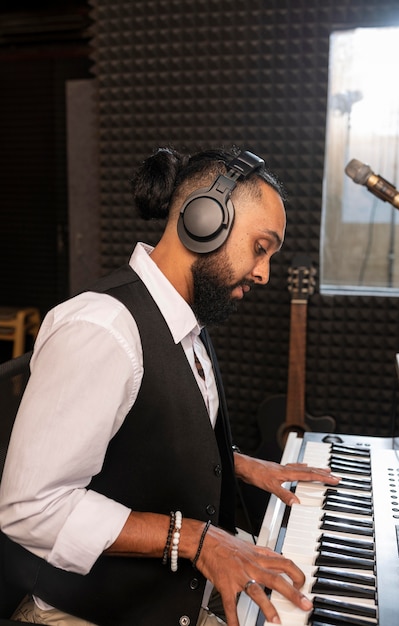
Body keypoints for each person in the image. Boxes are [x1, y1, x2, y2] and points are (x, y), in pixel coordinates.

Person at [0, 147, 339, 626]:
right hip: (93, 610)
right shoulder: (103, 329)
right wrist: (195, 539)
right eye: (260, 248)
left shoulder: (183, 323)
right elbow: (29, 507)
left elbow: (144, 433)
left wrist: (238, 463)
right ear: (205, 220)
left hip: (170, 591)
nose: (264, 272)